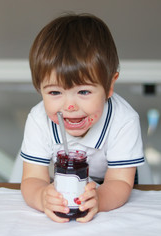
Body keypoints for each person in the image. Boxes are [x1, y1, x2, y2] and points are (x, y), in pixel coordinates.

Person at [19, 13, 145, 223]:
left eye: (84, 92)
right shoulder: (38, 118)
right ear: (39, 88)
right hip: (63, 189)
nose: (69, 106)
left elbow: (121, 183)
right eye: (54, 93)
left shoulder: (124, 120)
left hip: (111, 188)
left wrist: (100, 199)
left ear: (109, 85)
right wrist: (42, 197)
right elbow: (32, 179)